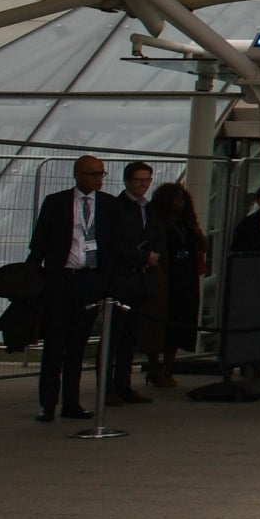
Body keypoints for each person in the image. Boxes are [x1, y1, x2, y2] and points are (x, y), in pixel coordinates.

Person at [25, 154, 136, 423]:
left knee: (77, 344)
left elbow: (116, 244)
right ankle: (47, 403)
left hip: (90, 280)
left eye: (101, 174)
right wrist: (33, 278)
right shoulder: (57, 202)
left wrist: (105, 280)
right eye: (93, 174)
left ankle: (72, 402)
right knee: (55, 344)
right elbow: (39, 242)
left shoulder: (109, 206)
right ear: (78, 175)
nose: (99, 179)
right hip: (61, 279)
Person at [139, 180, 207, 390]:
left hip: (185, 277)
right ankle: (153, 367)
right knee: (159, 322)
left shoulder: (187, 223)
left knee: (178, 323)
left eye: (182, 199)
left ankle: (167, 368)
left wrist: (196, 232)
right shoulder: (156, 221)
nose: (180, 203)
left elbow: (202, 245)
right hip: (164, 275)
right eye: (176, 199)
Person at [101, 162, 155, 405]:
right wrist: (143, 257)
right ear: (127, 181)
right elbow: (113, 243)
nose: (143, 184)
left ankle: (123, 384)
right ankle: (107, 386)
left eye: (147, 180)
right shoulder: (116, 208)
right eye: (138, 180)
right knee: (114, 336)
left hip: (140, 280)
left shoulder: (148, 209)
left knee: (130, 336)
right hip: (120, 279)